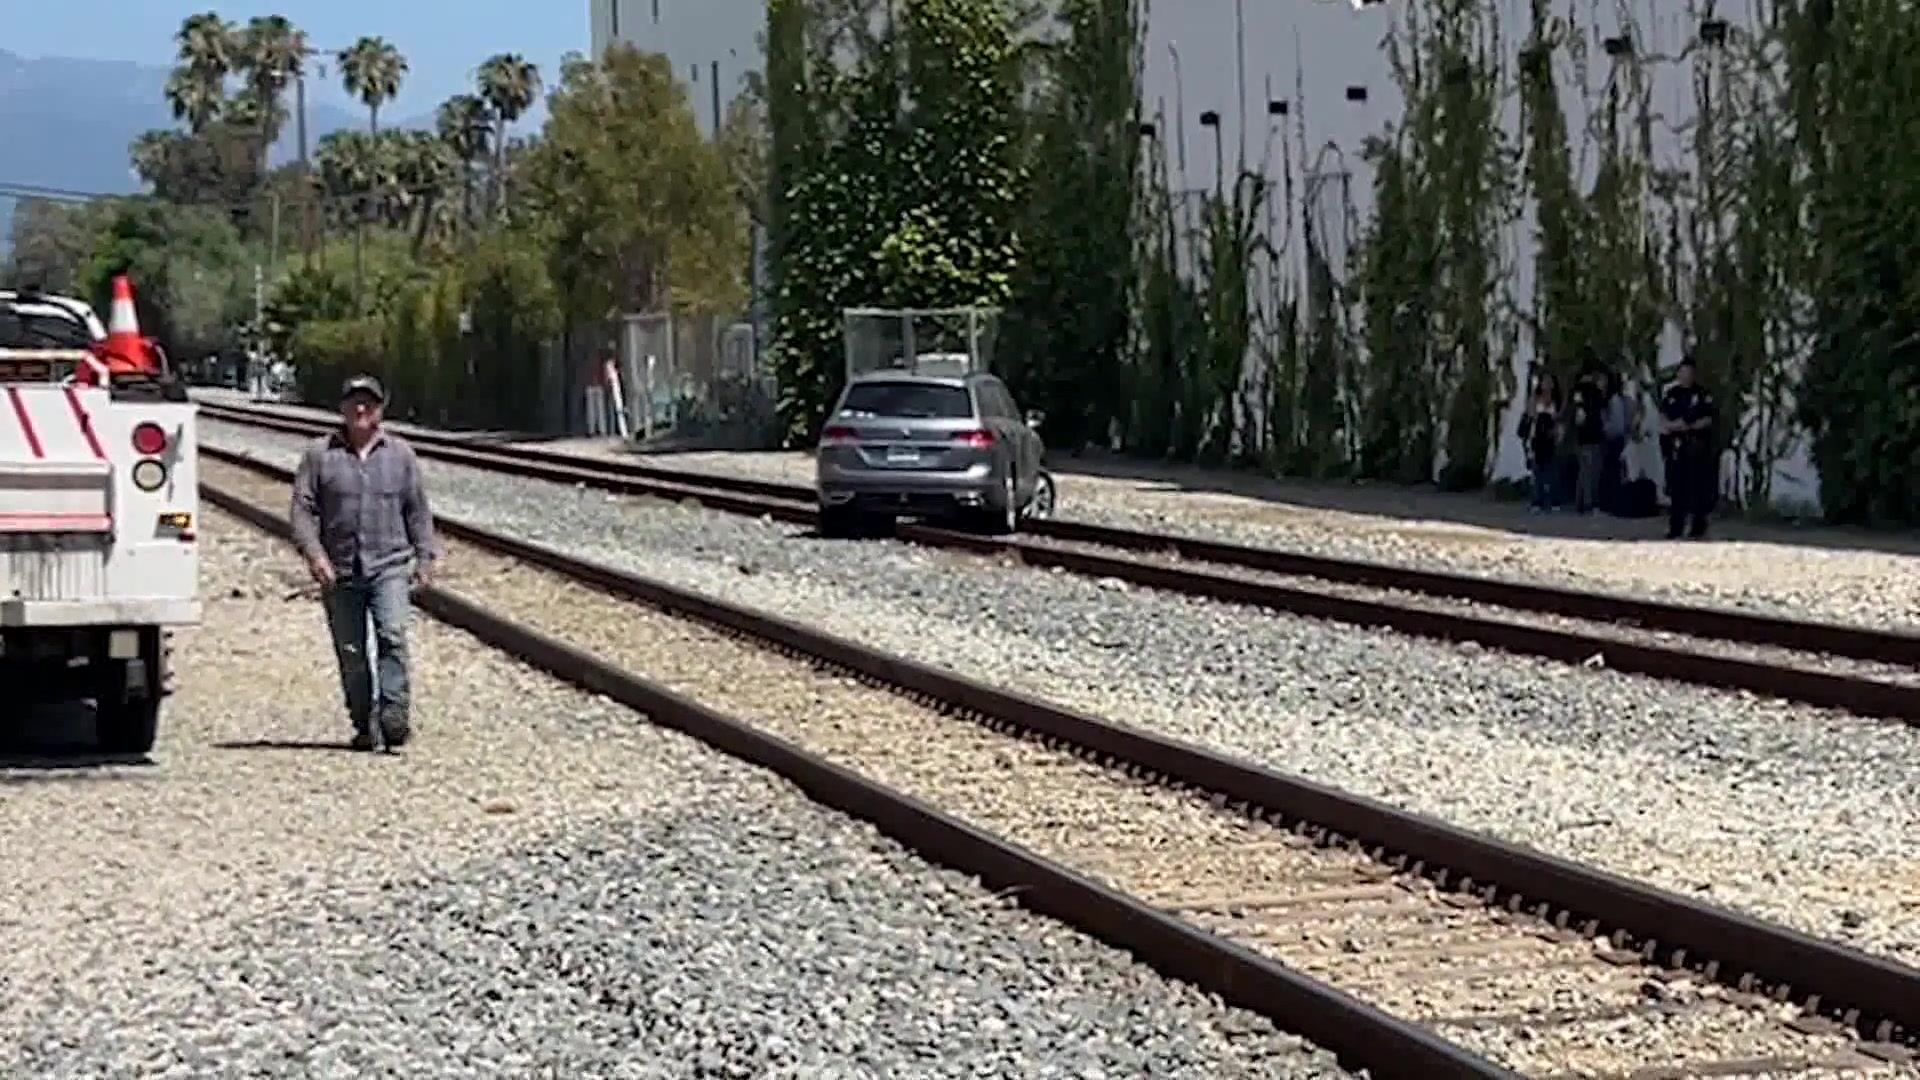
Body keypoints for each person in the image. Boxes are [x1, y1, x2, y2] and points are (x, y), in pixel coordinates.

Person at [290, 375, 439, 751]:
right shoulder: (319, 455)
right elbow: (302, 511)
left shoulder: (401, 455)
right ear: (342, 408)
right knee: (352, 652)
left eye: (368, 403)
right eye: (354, 402)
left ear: (380, 410)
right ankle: (362, 722)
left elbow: (417, 509)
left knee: (392, 636)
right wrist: (314, 555)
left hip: (389, 564)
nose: (361, 409)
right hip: (339, 569)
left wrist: (425, 556)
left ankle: (394, 718)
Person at [1658, 358, 1718, 540]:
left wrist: (1690, 426)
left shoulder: (1702, 394)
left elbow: (1708, 419)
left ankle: (1698, 528)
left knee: (1698, 489)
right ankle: (1676, 527)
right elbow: (1663, 418)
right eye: (1683, 373)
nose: (1686, 377)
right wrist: (1674, 426)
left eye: (1689, 373)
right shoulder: (1671, 394)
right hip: (1676, 448)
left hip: (1697, 448)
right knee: (1677, 490)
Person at [1518, 374, 1563, 513]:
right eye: (1545, 382)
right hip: (1536, 437)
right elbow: (1531, 414)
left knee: (1552, 470)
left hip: (1550, 437)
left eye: (1550, 382)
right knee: (1537, 470)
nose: (1547, 385)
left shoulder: (1557, 400)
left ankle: (1553, 500)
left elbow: (1559, 418)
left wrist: (1556, 430)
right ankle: (1537, 501)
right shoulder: (1535, 398)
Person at [1570, 366, 1608, 514]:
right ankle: (1590, 503)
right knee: (1590, 470)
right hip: (1588, 434)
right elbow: (1582, 412)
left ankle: (1581, 502)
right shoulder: (1586, 390)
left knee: (1585, 470)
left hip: (1587, 434)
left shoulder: (1583, 391)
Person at [1599, 370, 1635, 515]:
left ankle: (1611, 503)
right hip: (1614, 439)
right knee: (1611, 472)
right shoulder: (1612, 400)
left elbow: (1617, 424)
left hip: (1614, 440)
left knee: (1612, 472)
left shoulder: (1615, 401)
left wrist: (1606, 429)